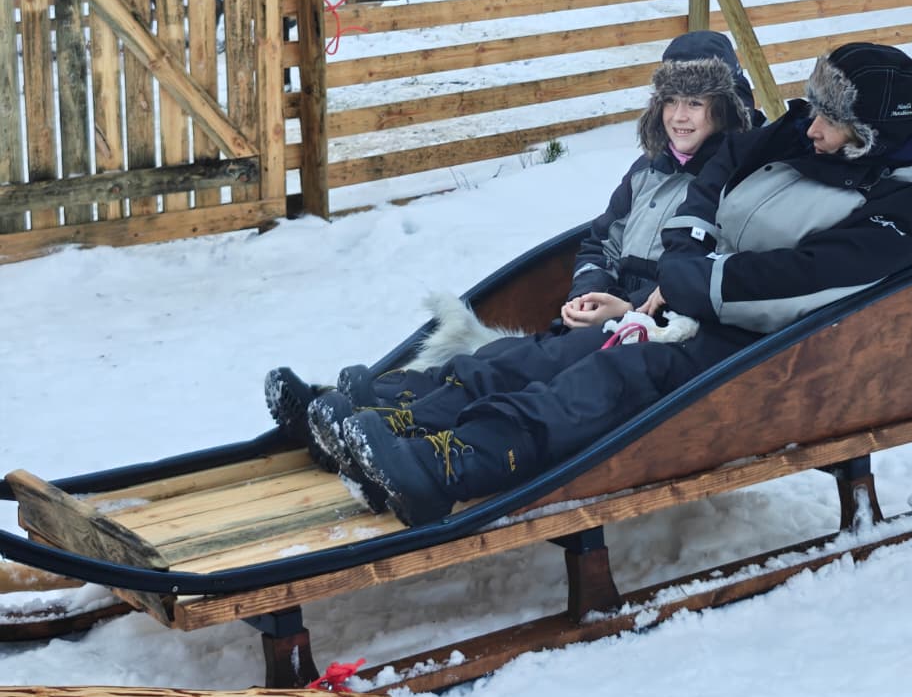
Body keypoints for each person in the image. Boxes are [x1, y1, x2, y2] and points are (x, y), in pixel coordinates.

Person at [335, 40, 912, 528]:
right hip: (697, 303)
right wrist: (687, 248)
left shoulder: (900, 210)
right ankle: (406, 421)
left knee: (610, 378)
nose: (812, 128)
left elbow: (802, 280)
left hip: (767, 346)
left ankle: (450, 467)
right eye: (816, 111)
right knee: (564, 352)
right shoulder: (813, 138)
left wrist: (692, 282)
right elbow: (722, 169)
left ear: (872, 135)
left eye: (830, 120)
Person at [263, 30, 755, 452]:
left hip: (651, 335)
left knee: (516, 368)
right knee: (497, 360)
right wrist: (588, 294)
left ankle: (394, 426)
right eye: (670, 101)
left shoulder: (732, 185)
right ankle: (362, 404)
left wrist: (624, 310)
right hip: (604, 318)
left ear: (724, 109)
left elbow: (706, 280)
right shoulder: (648, 170)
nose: (679, 116)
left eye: (695, 103)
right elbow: (600, 242)